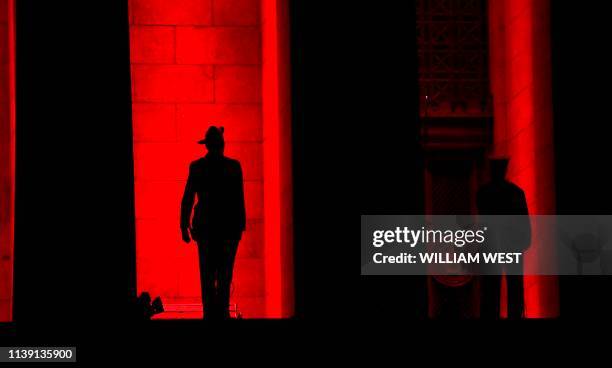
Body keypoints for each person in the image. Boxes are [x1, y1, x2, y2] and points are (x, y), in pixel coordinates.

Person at [180, 126, 246, 320]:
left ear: (207, 146)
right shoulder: (233, 167)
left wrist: (183, 225)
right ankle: (221, 315)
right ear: (222, 145)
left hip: (208, 229)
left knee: (208, 275)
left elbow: (188, 198)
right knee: (224, 275)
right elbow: (238, 200)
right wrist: (239, 227)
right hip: (226, 229)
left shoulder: (198, 167)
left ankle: (211, 316)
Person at [476, 158, 531, 319]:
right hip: (511, 245)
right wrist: (524, 241)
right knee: (514, 287)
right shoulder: (516, 193)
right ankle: (515, 315)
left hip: (493, 245)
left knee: (491, 288)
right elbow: (523, 220)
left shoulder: (483, 193)